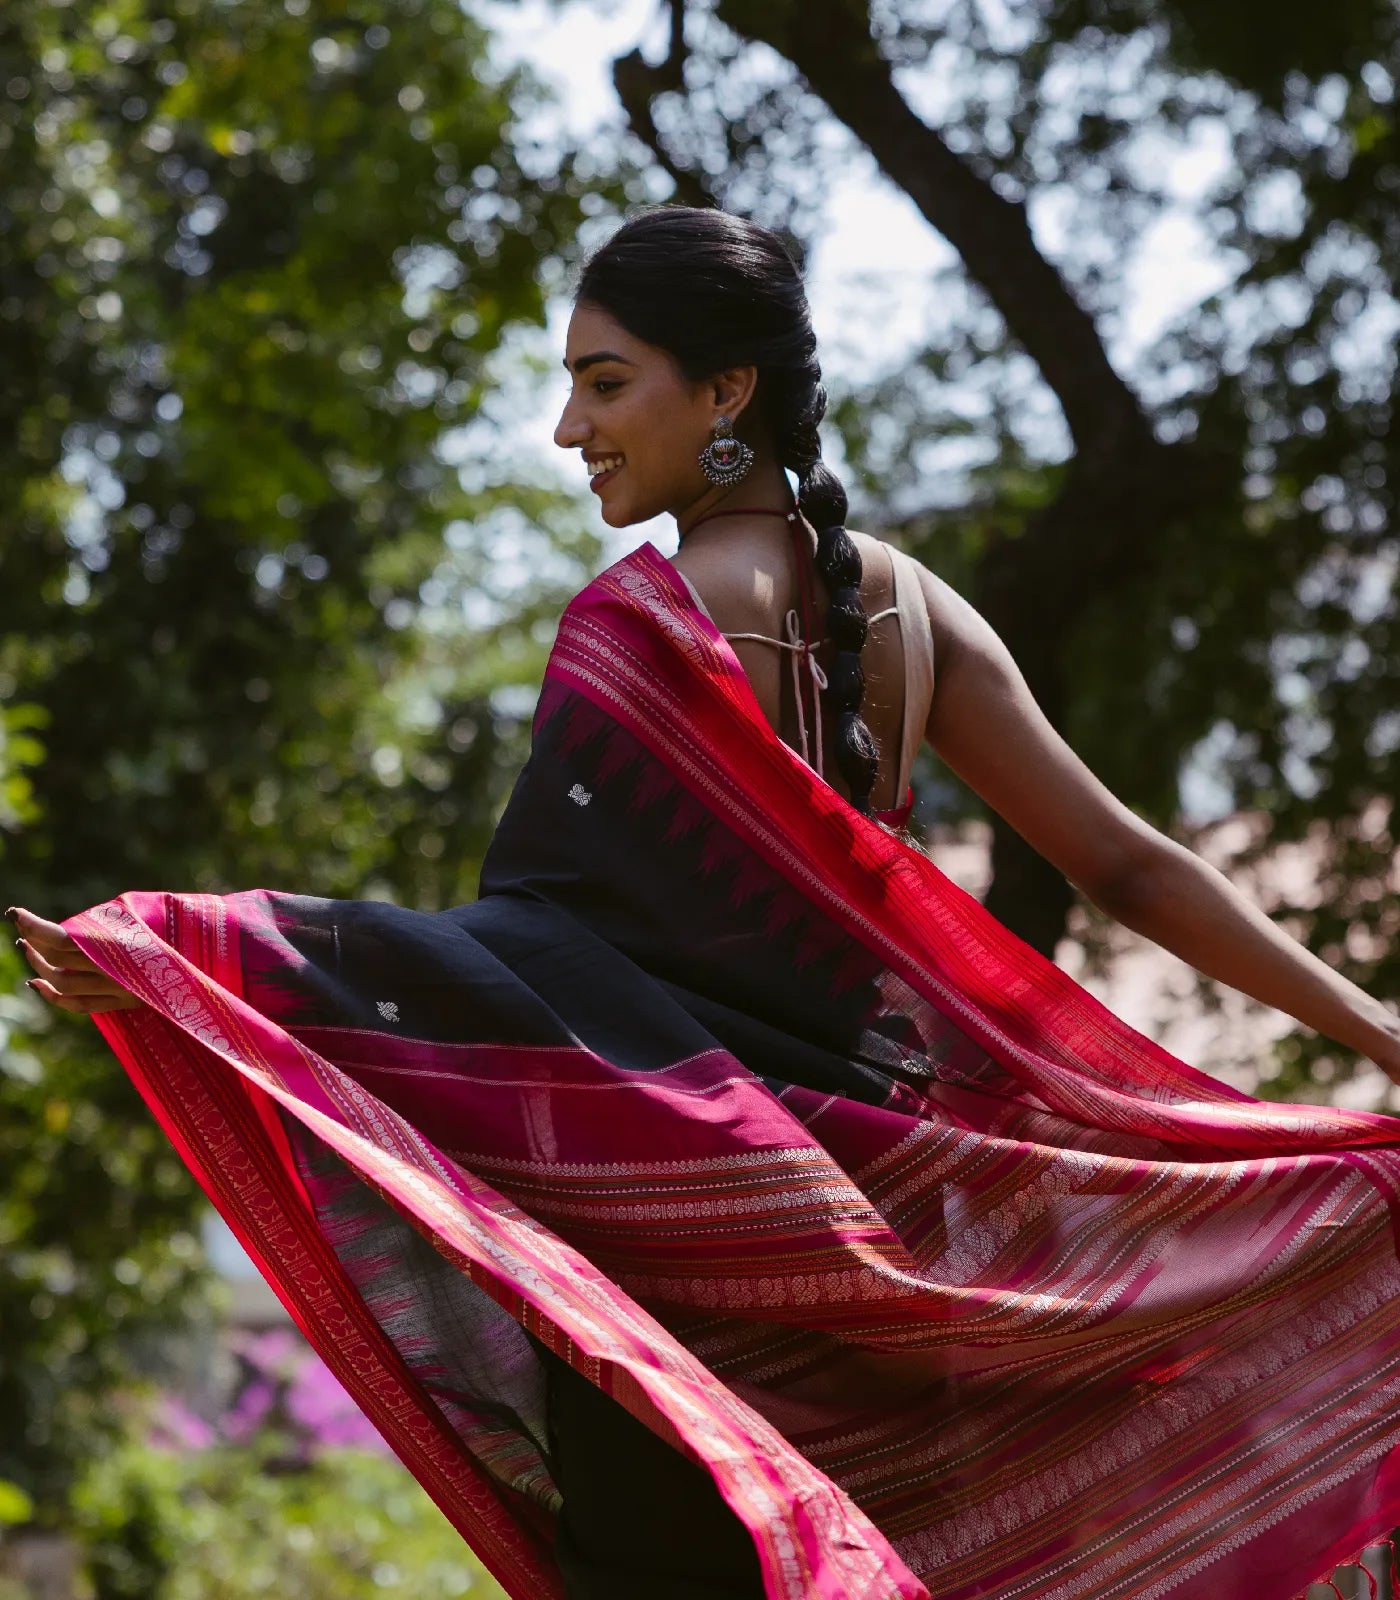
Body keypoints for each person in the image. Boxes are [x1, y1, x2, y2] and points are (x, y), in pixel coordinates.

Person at [12, 205, 1400, 1600]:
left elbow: (525, 969)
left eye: (605, 383)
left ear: (728, 390)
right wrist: (1381, 1038)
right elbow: (1130, 864)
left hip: (695, 1273)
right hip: (903, 1238)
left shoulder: (639, 632)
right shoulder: (913, 610)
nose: (570, 429)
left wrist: (200, 954)